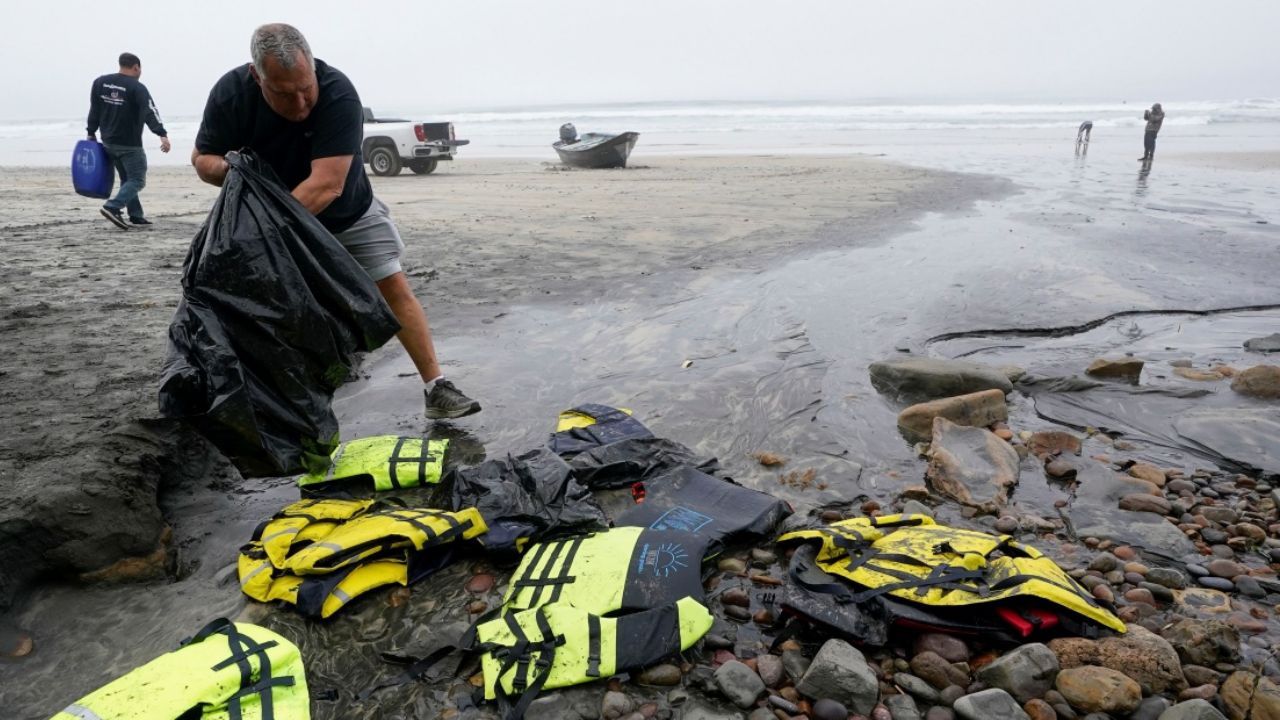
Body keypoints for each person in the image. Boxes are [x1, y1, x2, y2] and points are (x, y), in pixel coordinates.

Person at [190, 23, 481, 420]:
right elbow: (202, 161)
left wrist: (270, 239)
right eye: (283, 93)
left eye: (305, 88)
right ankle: (288, 408)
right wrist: (234, 169)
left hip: (346, 213)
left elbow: (326, 185)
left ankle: (436, 387)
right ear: (257, 76)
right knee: (278, 313)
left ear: (313, 67)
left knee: (393, 289)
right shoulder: (230, 94)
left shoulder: (339, 93)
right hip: (271, 221)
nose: (300, 104)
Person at [87, 52, 171, 229]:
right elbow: (150, 111)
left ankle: (136, 215)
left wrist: (91, 132)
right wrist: (162, 134)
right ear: (136, 67)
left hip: (108, 141)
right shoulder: (137, 87)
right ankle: (113, 206)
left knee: (127, 178)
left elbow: (94, 109)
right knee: (138, 180)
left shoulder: (100, 82)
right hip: (129, 144)